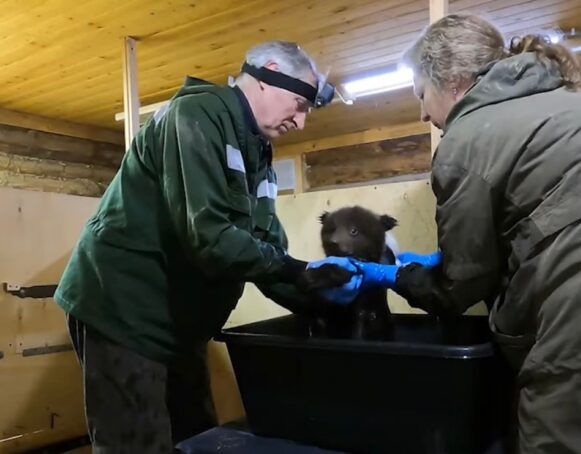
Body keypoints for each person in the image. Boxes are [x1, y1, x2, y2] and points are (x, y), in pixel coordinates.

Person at [346, 14, 581, 454]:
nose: (423, 113)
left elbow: (459, 287)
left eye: (421, 95)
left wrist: (397, 276)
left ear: (451, 81)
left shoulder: (467, 138)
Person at [54, 41, 358, 453]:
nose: (301, 123)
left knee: (198, 439)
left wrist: (319, 301)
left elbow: (265, 249)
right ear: (268, 73)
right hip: (123, 310)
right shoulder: (195, 115)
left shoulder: (258, 153)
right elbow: (211, 238)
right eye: (300, 103)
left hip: (180, 323)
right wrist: (295, 269)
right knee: (137, 444)